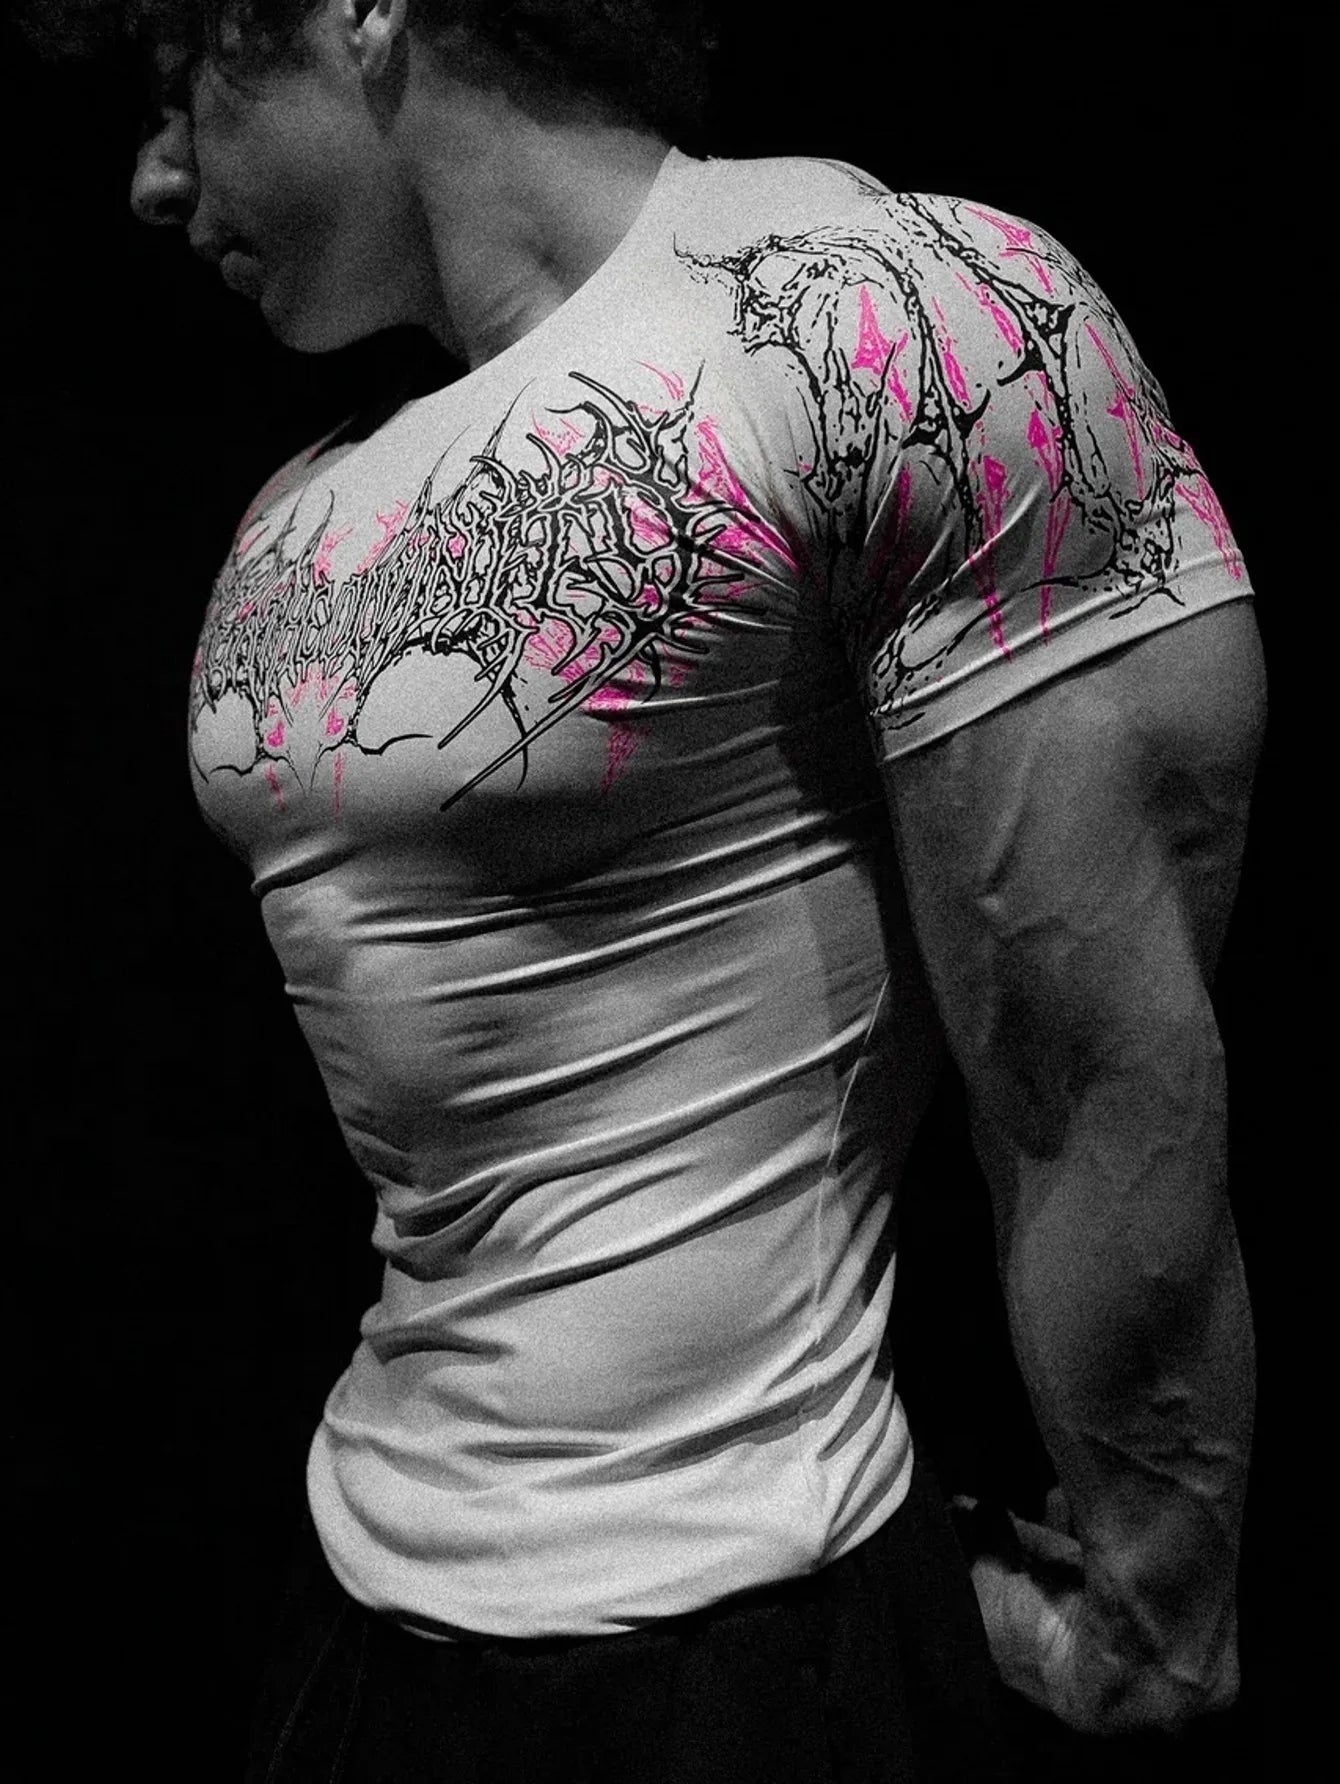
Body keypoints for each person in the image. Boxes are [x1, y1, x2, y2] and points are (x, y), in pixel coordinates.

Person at [112, 1, 1264, 1777]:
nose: (153, 175)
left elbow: (1091, 1070)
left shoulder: (875, 314)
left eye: (179, 75)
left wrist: (1154, 1605)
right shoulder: (304, 500)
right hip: (350, 1618)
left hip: (733, 1642)